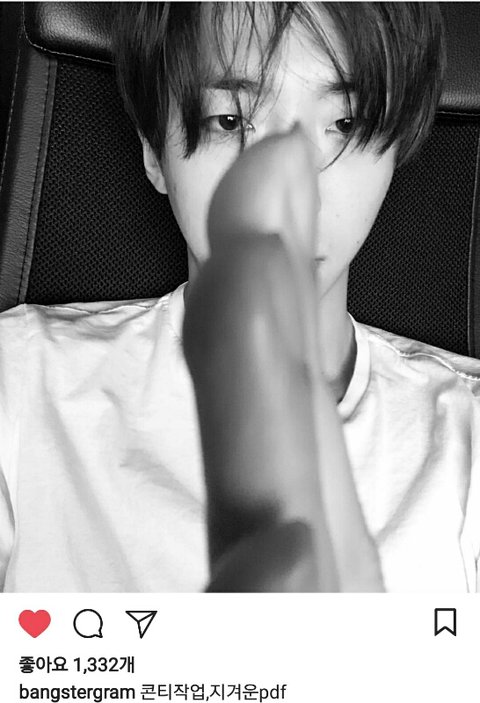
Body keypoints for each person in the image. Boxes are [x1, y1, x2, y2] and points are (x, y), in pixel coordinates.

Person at [0, 2, 478, 592]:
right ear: (154, 151)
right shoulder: (22, 384)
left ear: (395, 149)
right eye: (229, 121)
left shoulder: (466, 443)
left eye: (346, 123)